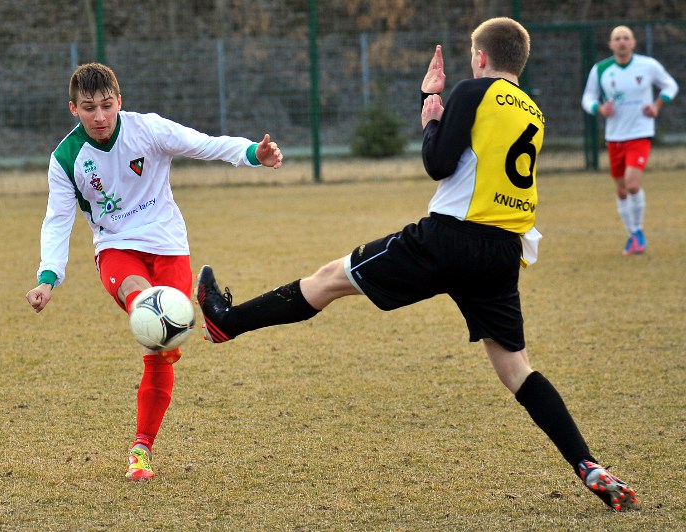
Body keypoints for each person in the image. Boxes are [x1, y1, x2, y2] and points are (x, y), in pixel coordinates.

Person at [196, 18, 638, 512]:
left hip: (448, 240)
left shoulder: (473, 90)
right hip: (502, 252)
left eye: (472, 54)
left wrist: (429, 111)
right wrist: (437, 108)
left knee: (329, 280)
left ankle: (226, 321)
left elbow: (437, 163)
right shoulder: (533, 110)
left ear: (481, 57)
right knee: (517, 369)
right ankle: (587, 464)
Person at [25, 62, 283, 481]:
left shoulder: (148, 130)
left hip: (167, 245)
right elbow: (57, 220)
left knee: (160, 350)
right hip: (115, 248)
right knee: (146, 303)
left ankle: (142, 446)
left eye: (106, 105)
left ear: (119, 101)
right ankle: (167, 326)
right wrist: (47, 277)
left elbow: (203, 144)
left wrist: (254, 153)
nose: (99, 116)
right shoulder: (66, 158)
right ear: (73, 109)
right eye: (89, 108)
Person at [581, 25, 679, 255]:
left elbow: (671, 85)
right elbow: (588, 97)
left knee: (632, 185)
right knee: (622, 190)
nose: (622, 42)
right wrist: (599, 108)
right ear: (611, 44)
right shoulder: (600, 69)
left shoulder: (648, 65)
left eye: (626, 38)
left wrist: (657, 105)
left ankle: (638, 233)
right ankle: (633, 234)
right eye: (617, 38)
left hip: (640, 133)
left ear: (633, 43)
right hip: (614, 136)